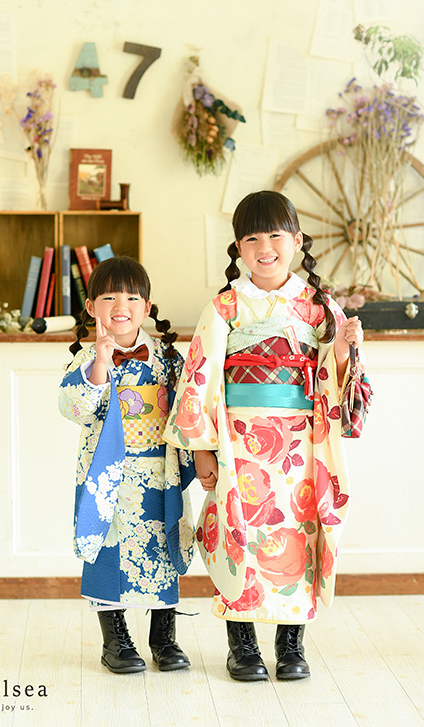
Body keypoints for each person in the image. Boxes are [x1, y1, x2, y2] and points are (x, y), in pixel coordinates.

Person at [164, 191, 371, 682]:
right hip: (238, 443)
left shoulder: (319, 308)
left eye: (276, 235)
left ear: (297, 241)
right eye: (251, 237)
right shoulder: (225, 306)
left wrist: (342, 350)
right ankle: (242, 646)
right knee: (240, 535)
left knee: (297, 535)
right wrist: (203, 450)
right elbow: (202, 377)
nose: (264, 247)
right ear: (238, 247)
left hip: (300, 444)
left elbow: (338, 378)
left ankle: (291, 644)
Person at [59, 256, 195, 675]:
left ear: (148, 305)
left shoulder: (169, 359)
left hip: (158, 473)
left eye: (133, 296)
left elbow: (190, 411)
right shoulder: (84, 360)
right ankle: (115, 641)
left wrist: (201, 459)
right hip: (109, 479)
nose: (122, 304)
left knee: (162, 549)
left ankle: (164, 638)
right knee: (107, 553)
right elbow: (74, 407)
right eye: (109, 296)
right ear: (91, 308)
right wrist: (99, 362)